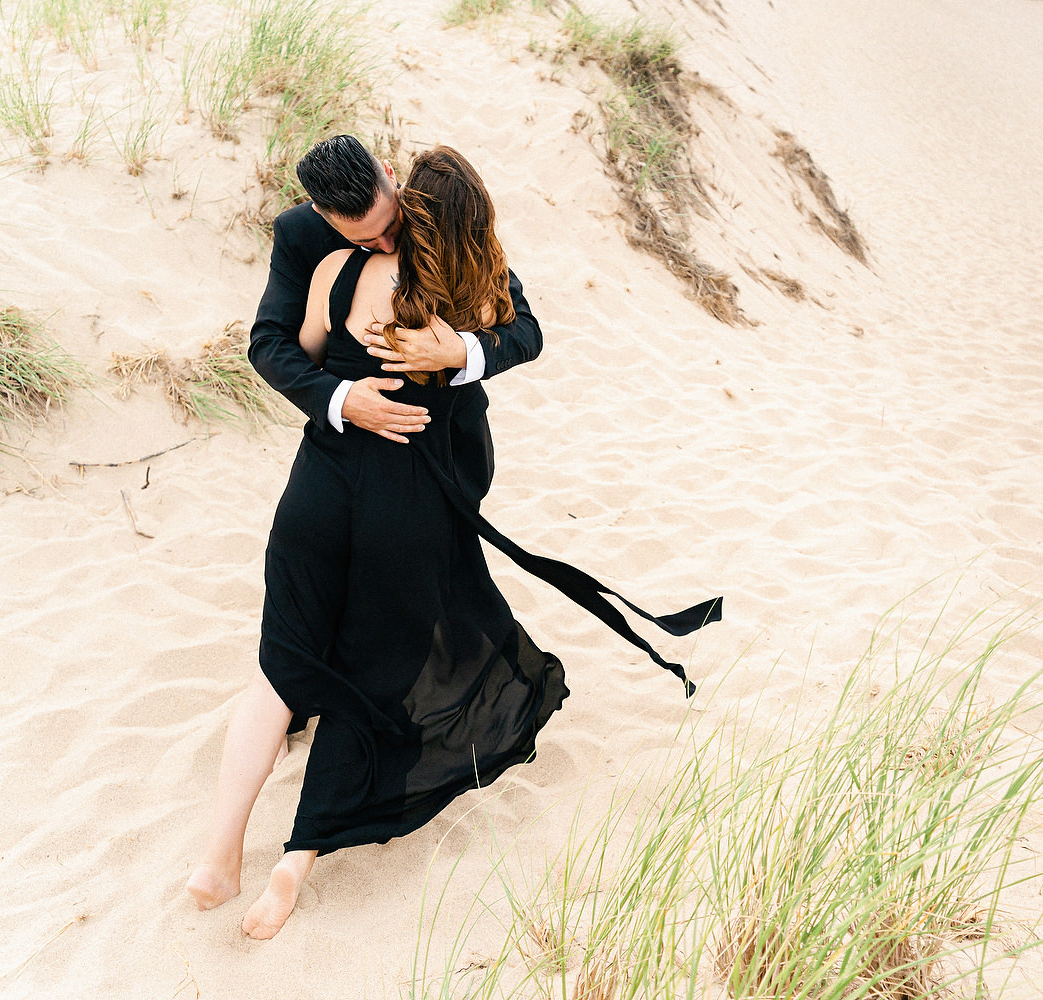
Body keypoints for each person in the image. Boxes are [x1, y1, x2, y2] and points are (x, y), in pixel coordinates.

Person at [187, 139, 721, 940]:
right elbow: (267, 348)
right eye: (359, 235)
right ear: (322, 216)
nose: (382, 240)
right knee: (372, 661)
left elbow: (523, 331)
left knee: (285, 657)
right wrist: (342, 399)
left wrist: (461, 353)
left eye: (384, 222)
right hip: (386, 473)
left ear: (391, 182)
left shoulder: (431, 237)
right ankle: (280, 855)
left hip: (365, 478)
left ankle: (220, 853)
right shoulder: (314, 243)